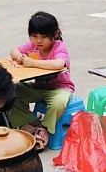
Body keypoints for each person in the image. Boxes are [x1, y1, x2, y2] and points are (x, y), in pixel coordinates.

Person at [9, 11, 75, 147]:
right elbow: (14, 51)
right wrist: (19, 56)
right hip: (38, 87)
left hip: (59, 88)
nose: (38, 40)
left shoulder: (59, 47)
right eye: (34, 36)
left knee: (58, 102)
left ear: (55, 34)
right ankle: (29, 122)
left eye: (43, 37)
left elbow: (59, 64)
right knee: (10, 91)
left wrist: (33, 63)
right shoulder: (33, 46)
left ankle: (44, 127)